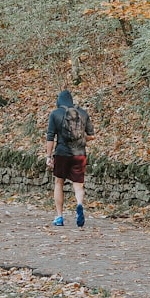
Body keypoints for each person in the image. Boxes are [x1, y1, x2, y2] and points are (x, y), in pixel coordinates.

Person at [45, 88, 94, 227]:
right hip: (79, 154)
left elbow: (50, 137)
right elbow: (91, 135)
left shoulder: (55, 114)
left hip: (61, 153)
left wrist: (48, 156)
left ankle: (59, 217)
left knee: (59, 183)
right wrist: (80, 137)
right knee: (78, 185)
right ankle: (79, 205)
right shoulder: (83, 113)